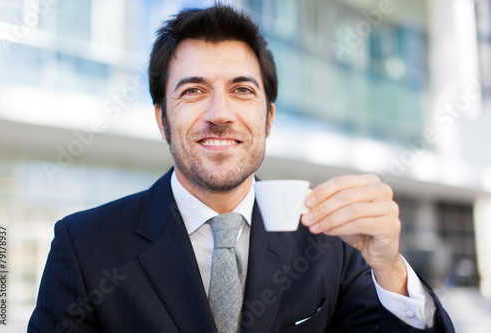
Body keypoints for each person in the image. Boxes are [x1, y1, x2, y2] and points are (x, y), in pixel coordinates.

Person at [28, 4, 454, 333]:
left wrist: (390, 269)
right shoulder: (83, 246)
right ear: (162, 119)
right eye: (194, 90)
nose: (220, 113)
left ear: (268, 119)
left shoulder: (332, 244)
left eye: (241, 90)